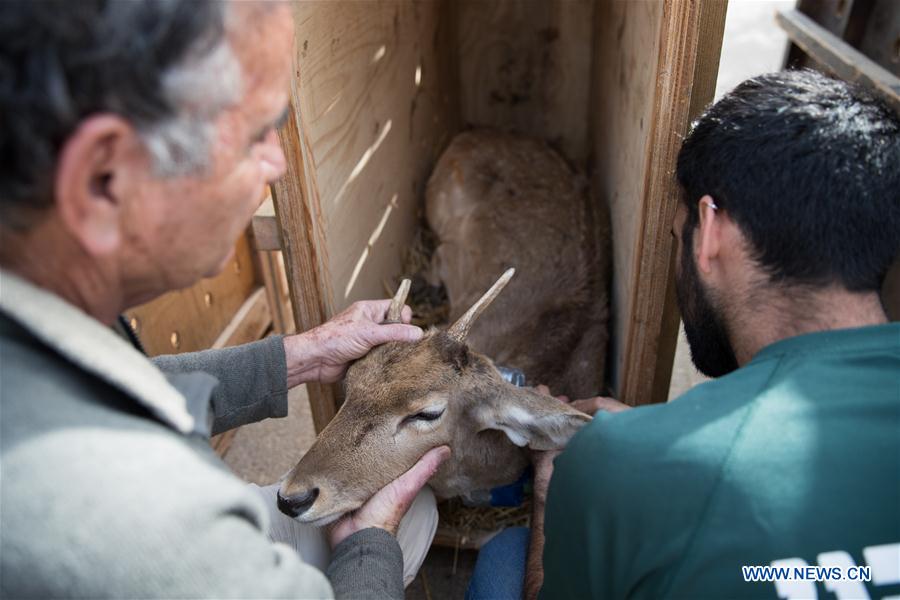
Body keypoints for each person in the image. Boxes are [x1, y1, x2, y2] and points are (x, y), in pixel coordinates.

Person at [0, 1, 449, 598]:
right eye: (255, 134)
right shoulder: (138, 525)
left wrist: (307, 355)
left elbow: (131, 382)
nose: (279, 163)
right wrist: (370, 541)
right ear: (102, 180)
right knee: (390, 530)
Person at [471, 69, 900, 599]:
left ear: (711, 230)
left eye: (677, 235)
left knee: (506, 559)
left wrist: (557, 490)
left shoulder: (621, 464)